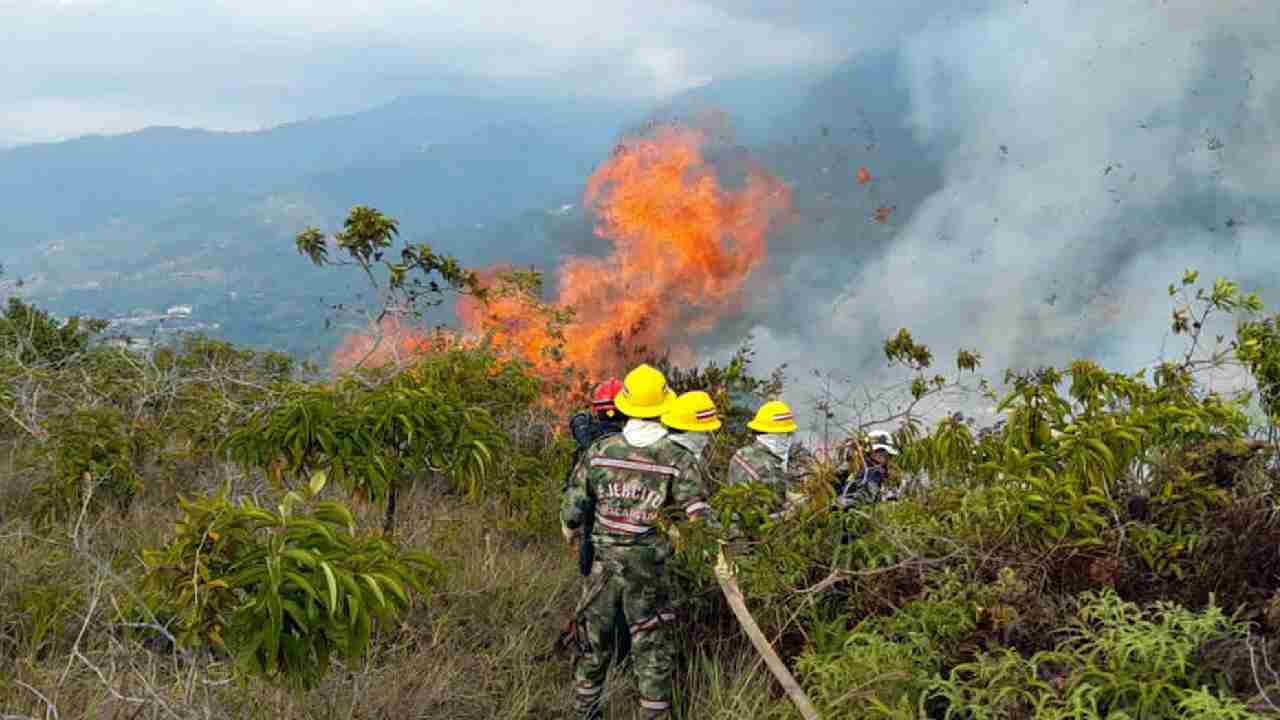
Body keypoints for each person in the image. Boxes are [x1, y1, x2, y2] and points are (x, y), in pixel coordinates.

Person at [561, 364, 711, 720]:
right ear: (662, 408)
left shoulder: (599, 451)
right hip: (649, 573)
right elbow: (699, 517)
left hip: (602, 570)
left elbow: (574, 507)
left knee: (593, 645)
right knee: (653, 649)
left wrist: (571, 527)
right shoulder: (678, 458)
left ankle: (585, 713)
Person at [726, 400, 813, 522]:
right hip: (756, 530)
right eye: (784, 434)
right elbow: (770, 518)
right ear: (772, 436)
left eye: (789, 433)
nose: (788, 438)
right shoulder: (771, 469)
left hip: (733, 517)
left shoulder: (741, 453)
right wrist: (800, 508)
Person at [834, 429, 899, 509]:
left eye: (885, 454)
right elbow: (863, 497)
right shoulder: (869, 472)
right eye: (879, 452)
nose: (882, 456)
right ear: (868, 452)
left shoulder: (883, 475)